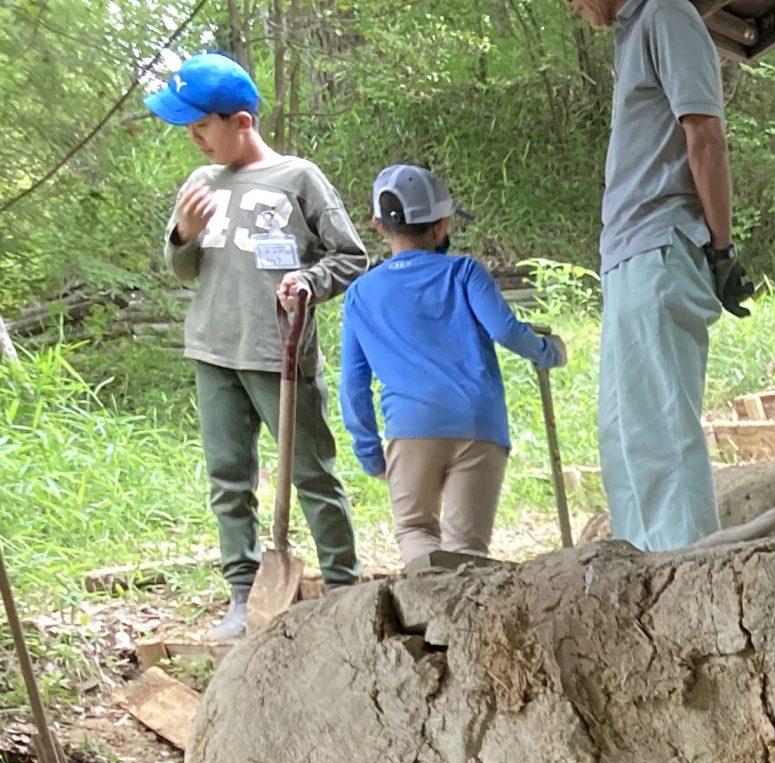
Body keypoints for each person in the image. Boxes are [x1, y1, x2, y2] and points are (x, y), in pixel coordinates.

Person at [150, 53, 366, 637]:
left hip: (279, 353)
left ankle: (345, 587)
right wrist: (182, 235)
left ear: (241, 120)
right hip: (214, 350)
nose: (195, 140)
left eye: (202, 127)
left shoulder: (298, 178)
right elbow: (183, 270)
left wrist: (309, 282)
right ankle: (242, 592)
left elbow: (349, 256)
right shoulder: (199, 185)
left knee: (312, 472)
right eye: (188, 130)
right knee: (228, 477)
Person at [563, 0, 750, 550]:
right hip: (628, 255)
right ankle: (642, 570)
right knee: (625, 436)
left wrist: (721, 250)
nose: (569, 6)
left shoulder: (668, 14)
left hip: (661, 245)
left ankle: (688, 575)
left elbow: (705, 138)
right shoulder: (633, 30)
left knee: (663, 432)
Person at [338, 166, 568, 573]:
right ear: (442, 223)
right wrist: (547, 352)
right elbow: (506, 330)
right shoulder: (464, 273)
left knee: (415, 530)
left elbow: (354, 386)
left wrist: (369, 450)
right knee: (467, 549)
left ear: (377, 226)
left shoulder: (360, 294)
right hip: (477, 425)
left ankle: (429, 620)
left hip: (410, 430)